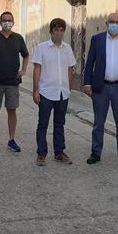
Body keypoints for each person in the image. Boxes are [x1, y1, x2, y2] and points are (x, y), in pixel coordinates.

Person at [83, 13, 118, 168]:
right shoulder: (97, 39)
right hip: (101, 87)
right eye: (112, 22)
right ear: (107, 23)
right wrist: (87, 83)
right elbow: (90, 62)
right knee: (98, 122)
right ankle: (96, 152)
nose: (115, 24)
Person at [32, 18, 76, 166]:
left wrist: (68, 88)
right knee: (43, 124)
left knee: (59, 124)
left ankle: (59, 152)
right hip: (45, 92)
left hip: (62, 93)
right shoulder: (42, 48)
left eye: (61, 30)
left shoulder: (67, 48)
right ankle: (41, 153)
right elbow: (37, 69)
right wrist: (36, 90)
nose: (59, 33)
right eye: (56, 30)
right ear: (51, 31)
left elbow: (70, 69)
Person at [0, 11, 30, 154]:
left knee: (12, 111)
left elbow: (26, 55)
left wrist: (23, 70)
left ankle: (11, 139)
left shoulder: (18, 38)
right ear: (0, 22)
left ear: (13, 22)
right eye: (4, 20)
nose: (7, 22)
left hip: (13, 82)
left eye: (9, 20)